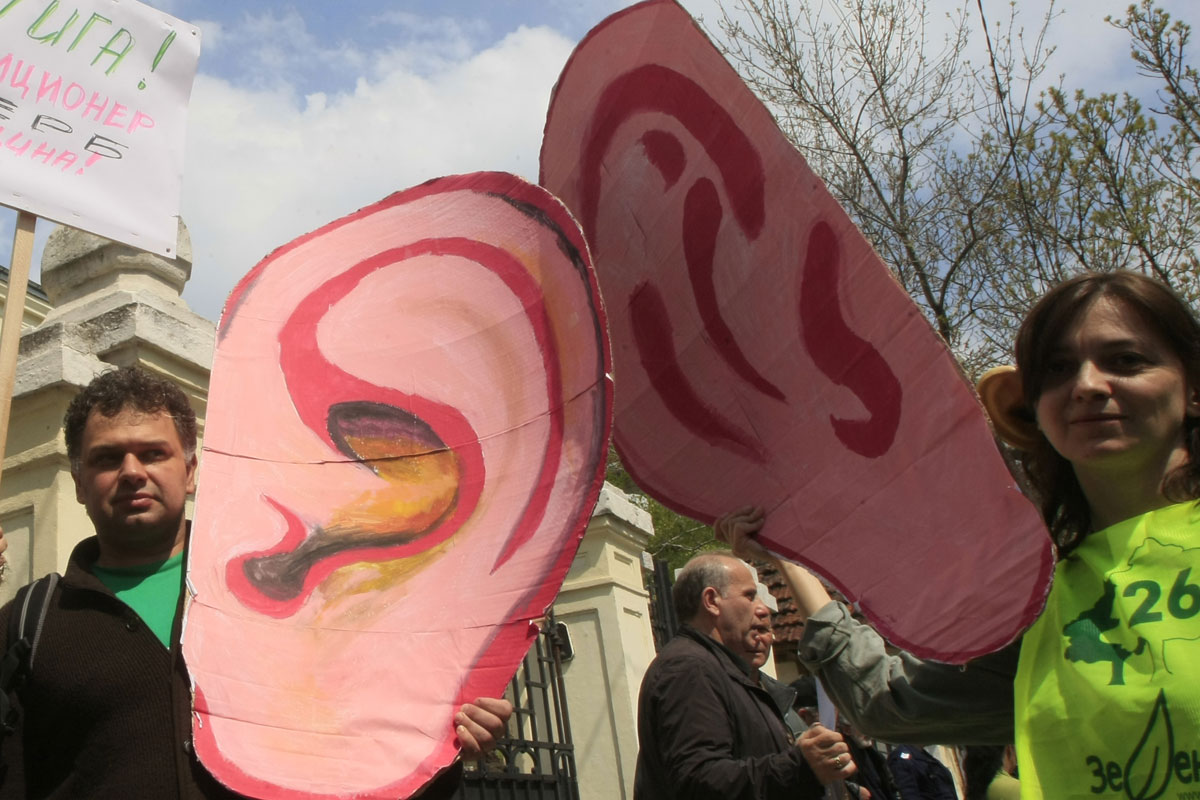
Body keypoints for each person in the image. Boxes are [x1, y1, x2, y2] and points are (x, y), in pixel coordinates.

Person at [716, 270, 1200, 797]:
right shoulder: (1035, 598)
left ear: (1192, 388)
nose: (1086, 385)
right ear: (1035, 409)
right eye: (1058, 369)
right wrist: (795, 559)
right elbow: (889, 702)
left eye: (1126, 360)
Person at [0, 366, 511, 798]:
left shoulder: (282, 589)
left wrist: (446, 741)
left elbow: (365, 735)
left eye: (153, 453)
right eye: (108, 458)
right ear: (79, 484)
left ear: (192, 470)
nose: (132, 471)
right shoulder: (33, 622)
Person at [633, 551, 856, 799]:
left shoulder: (731, 673)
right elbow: (699, 781)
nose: (764, 610)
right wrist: (800, 766)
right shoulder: (688, 669)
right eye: (750, 596)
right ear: (711, 600)